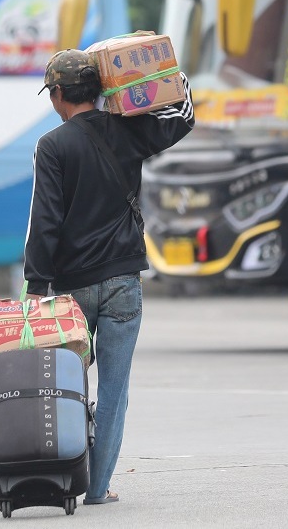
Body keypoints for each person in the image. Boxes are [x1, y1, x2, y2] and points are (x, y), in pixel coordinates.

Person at [23, 49, 194, 505]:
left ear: (59, 93)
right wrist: (170, 72)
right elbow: (183, 116)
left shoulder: (53, 145)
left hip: (73, 287)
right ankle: (98, 489)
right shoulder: (129, 131)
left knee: (65, 388)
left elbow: (45, 222)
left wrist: (36, 288)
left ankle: (65, 482)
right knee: (114, 391)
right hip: (123, 282)